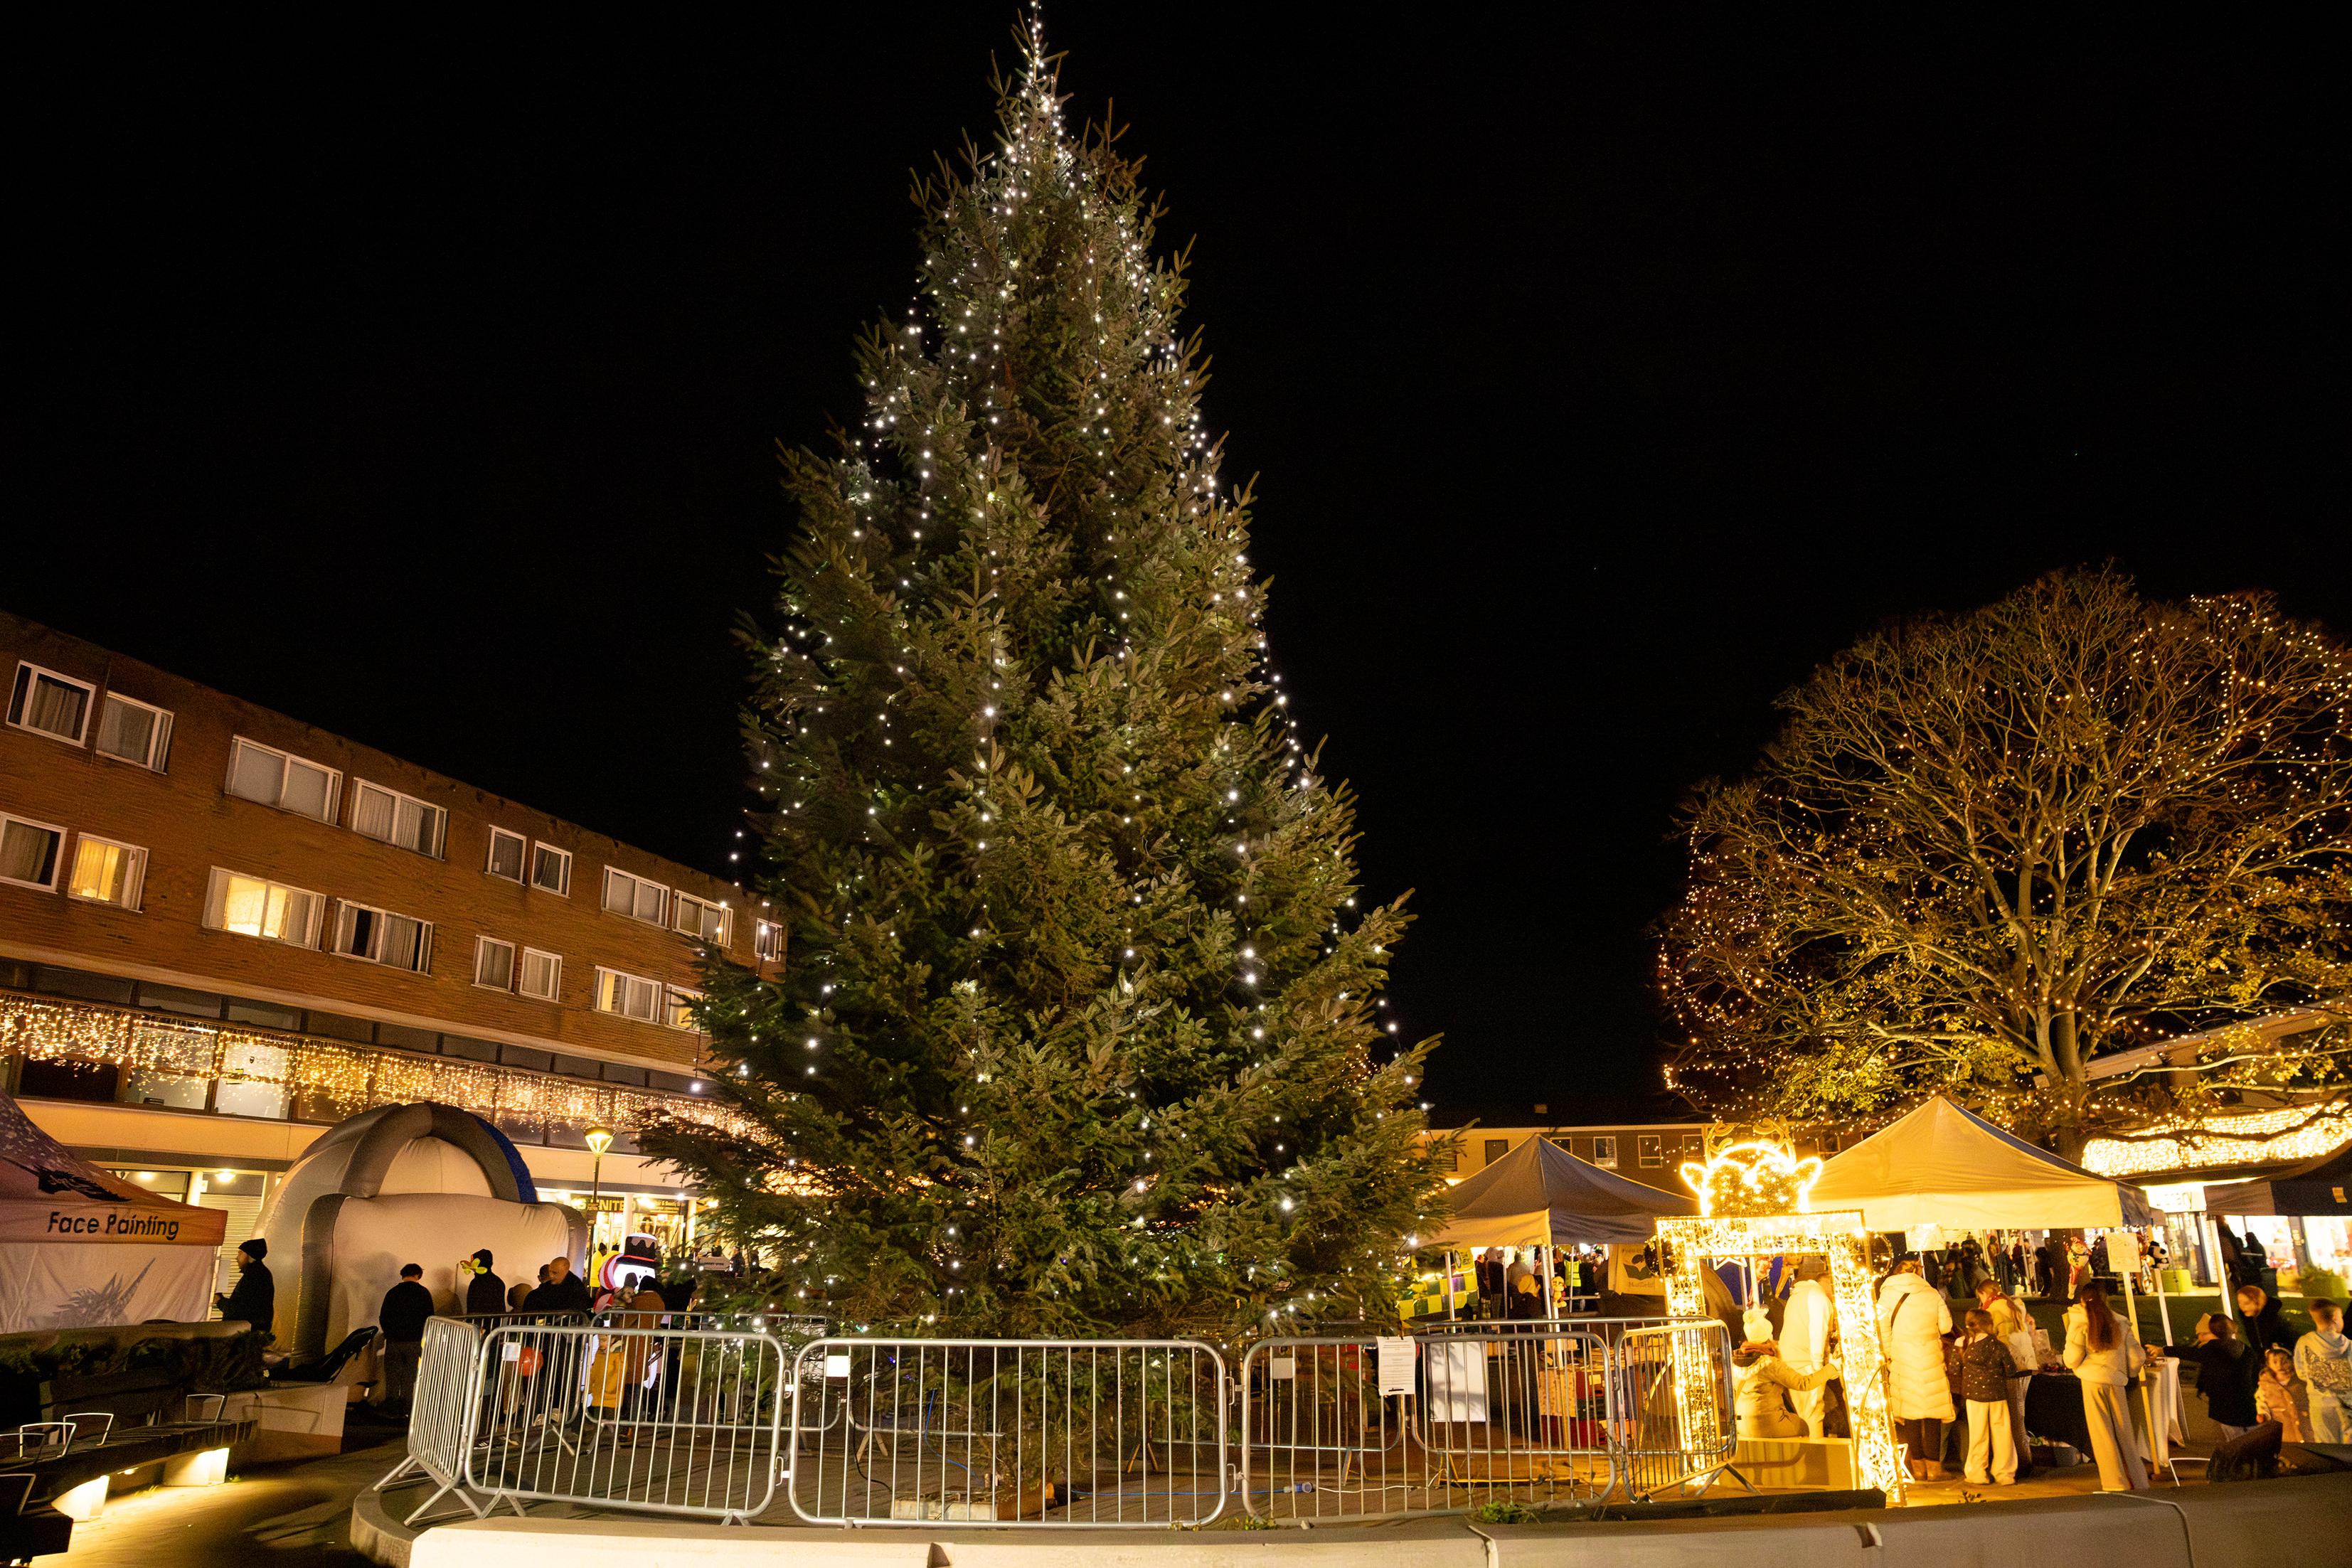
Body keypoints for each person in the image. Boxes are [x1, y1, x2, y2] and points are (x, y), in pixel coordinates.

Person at [2063, 1282, 2148, 1490]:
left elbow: (2072, 1358)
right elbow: (2137, 1356)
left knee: (2103, 1435)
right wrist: (2128, 1372)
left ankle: (2115, 1482)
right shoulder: (2120, 1322)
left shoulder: (2080, 1322)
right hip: (2116, 1381)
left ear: (2083, 1300)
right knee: (2124, 1432)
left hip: (2092, 1381)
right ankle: (2138, 1480)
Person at [1878, 1254, 1954, 1480]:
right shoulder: (1931, 1293)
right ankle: (1934, 1468)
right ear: (1917, 1272)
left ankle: (1917, 1468)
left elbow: (1882, 1329)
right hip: (1929, 1355)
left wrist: (1891, 1354)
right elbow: (1947, 1326)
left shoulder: (1886, 1295)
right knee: (1932, 1416)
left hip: (1902, 1356)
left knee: (1910, 1414)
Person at [2150, 1312, 2255, 1440]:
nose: (2201, 1338)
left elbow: (2190, 1353)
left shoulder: (2213, 1349)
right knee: (2249, 1439)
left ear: (2217, 1332)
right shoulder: (2245, 1348)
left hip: (2227, 1407)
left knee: (2235, 1442)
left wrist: (2163, 1350)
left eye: (2204, 1334)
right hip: (2248, 1404)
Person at [1733, 1313, 1837, 1439]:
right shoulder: (1768, 1364)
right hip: (1765, 1423)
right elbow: (1804, 1383)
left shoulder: (1737, 1360)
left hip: (1741, 1423)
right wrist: (1833, 1367)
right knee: (1803, 1426)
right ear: (1767, 1336)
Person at [1949, 1307, 2021, 1484]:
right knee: (2003, 1434)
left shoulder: (1962, 1344)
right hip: (1997, 1395)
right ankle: (2005, 1474)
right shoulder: (1998, 1345)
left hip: (1974, 1397)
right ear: (1989, 1324)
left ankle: (1977, 1473)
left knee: (1978, 1435)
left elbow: (1953, 1369)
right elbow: (2011, 1370)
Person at [1974, 1279, 2038, 1470]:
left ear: (1984, 1294)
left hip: (2012, 1368)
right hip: (2026, 1364)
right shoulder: (2015, 1305)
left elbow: (2000, 1343)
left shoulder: (1994, 1311)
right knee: (2020, 1414)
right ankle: (2023, 1458)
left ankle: (2023, 1462)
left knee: (2014, 1417)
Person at [1779, 1257, 1837, 1438]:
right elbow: (1816, 1332)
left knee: (1802, 1413)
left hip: (1791, 1362)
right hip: (1806, 1365)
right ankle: (1816, 1456)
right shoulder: (1818, 1298)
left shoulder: (1797, 1296)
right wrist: (1819, 1368)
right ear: (1827, 1282)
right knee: (1813, 1413)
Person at [378, 1263, 435, 1414]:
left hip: (394, 1341)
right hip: (414, 1341)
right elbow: (430, 1317)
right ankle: (407, 1407)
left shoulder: (393, 1292)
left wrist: (389, 1334)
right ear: (418, 1275)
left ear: (403, 1275)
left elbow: (383, 1316)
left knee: (392, 1374)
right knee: (410, 1375)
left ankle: (391, 1405)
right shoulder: (424, 1293)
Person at [2292, 1298, 2350, 1442]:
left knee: (2327, 1447)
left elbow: (2301, 1372)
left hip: (2320, 1405)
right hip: (2348, 1405)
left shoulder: (2304, 1343)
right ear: (2335, 1319)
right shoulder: (2349, 1345)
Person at [2235, 1282, 2294, 1408]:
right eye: (2240, 1303)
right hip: (2265, 1363)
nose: (2242, 1307)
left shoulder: (2273, 1320)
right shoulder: (2250, 1319)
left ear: (2257, 1302)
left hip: (2279, 1365)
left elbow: (2288, 1341)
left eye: (2246, 1303)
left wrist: (2272, 1352)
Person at [217, 1237, 275, 1337]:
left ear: (250, 1256)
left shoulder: (254, 1276)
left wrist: (219, 1301)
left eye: (240, 1253)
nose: (237, 1258)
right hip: (251, 1332)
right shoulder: (259, 1274)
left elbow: (241, 1309)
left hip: (247, 1335)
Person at [2257, 1343, 2310, 1441]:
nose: (2280, 1365)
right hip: (2285, 1435)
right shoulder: (2266, 1385)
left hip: (2307, 1431)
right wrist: (2263, 1414)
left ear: (2292, 1361)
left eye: (2284, 1361)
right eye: (2275, 1362)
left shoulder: (2301, 1381)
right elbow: (2261, 1402)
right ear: (2268, 1364)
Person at [525, 1254, 593, 1313]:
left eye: (554, 1273)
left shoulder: (576, 1289)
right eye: (550, 1272)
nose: (551, 1276)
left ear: (565, 1271)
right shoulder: (539, 1292)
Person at [464, 1249, 506, 1315]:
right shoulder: (499, 1282)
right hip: (496, 1323)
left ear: (478, 1263)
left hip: (478, 1323)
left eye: (472, 1261)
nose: (470, 1263)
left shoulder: (476, 1283)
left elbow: (472, 1308)